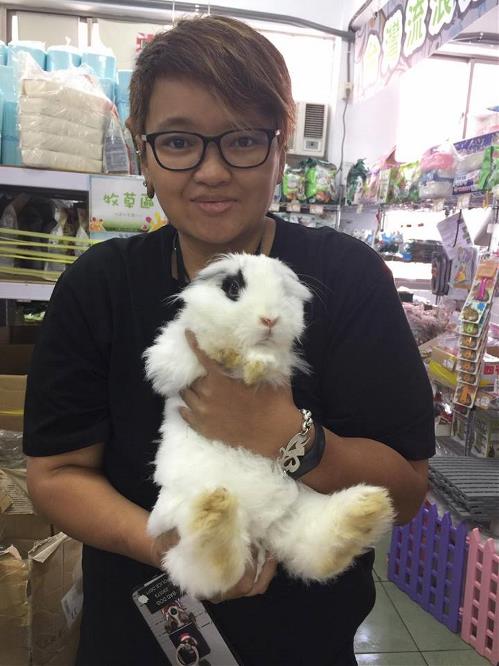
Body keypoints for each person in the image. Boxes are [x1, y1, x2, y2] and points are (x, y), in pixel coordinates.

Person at [23, 15, 435, 666]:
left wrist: (288, 436)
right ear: (142, 152)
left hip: (304, 646)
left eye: (242, 140)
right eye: (178, 141)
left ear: (280, 149)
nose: (211, 171)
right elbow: (55, 473)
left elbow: (405, 493)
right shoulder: (98, 286)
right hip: (134, 640)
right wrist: (163, 544)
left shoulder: (347, 279)